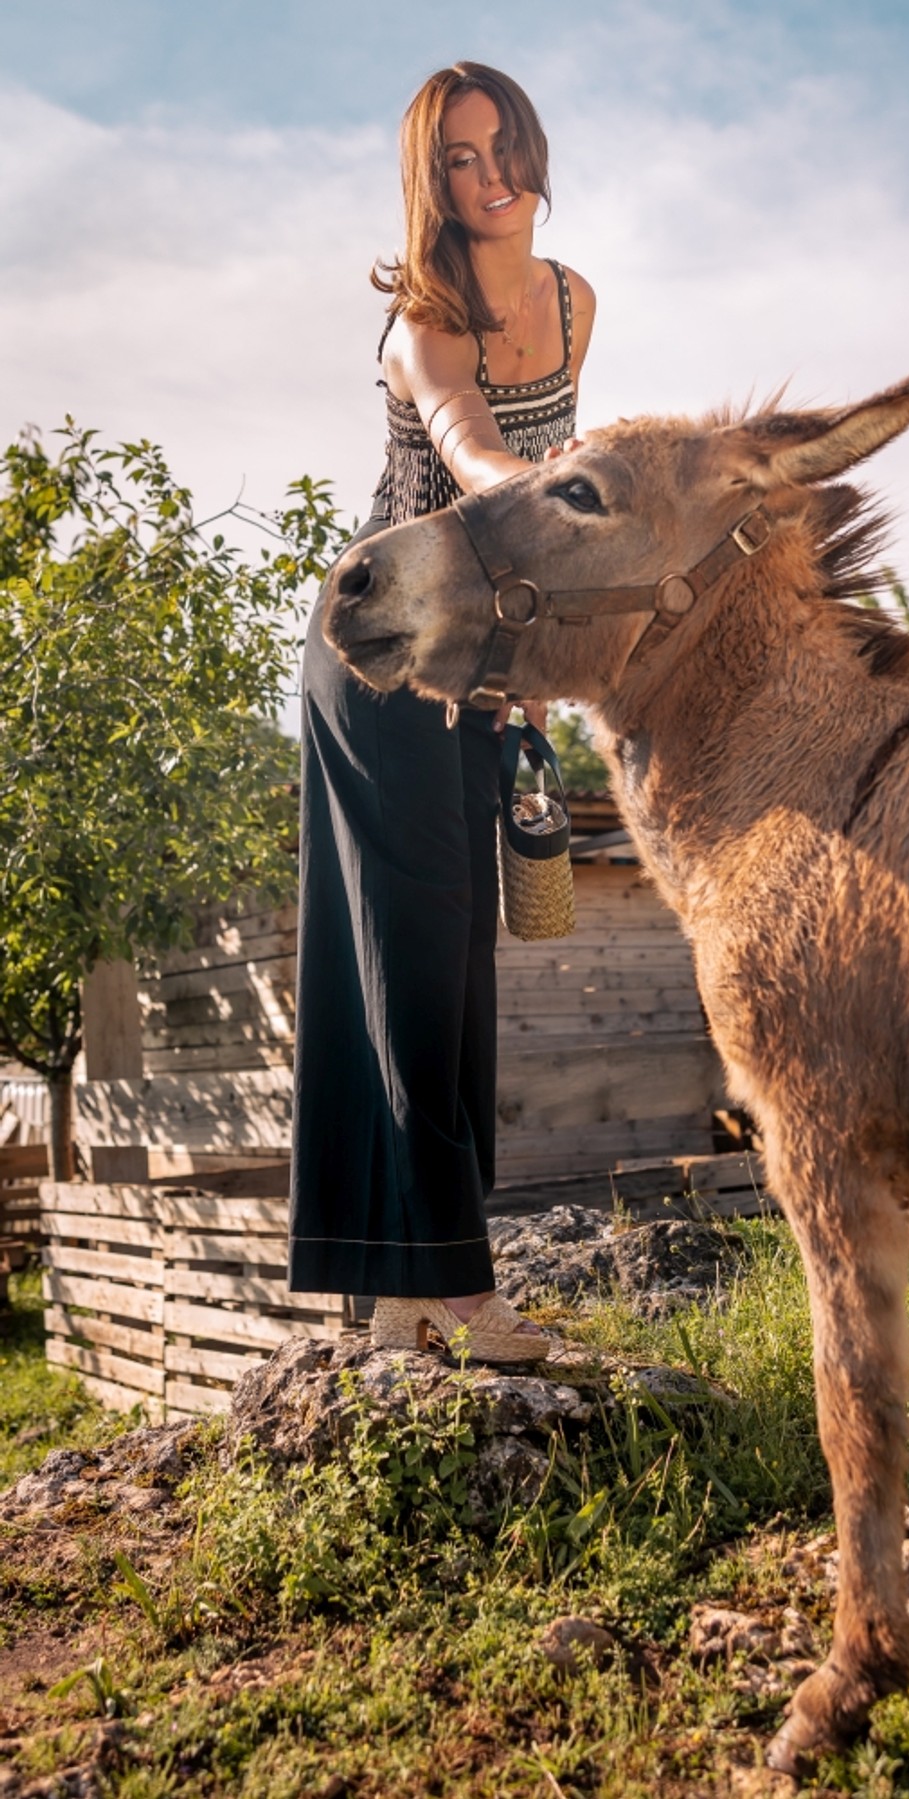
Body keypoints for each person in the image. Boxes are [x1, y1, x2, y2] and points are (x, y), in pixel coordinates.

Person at [287, 62, 595, 1362]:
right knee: (416, 966)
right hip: (376, 654)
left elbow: (547, 466)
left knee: (453, 975)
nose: (491, 176)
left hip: (465, 666)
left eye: (502, 145)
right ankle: (462, 1296)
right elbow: (475, 455)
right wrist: (579, 496)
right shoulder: (426, 318)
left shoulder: (574, 301)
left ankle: (408, 1294)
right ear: (435, 186)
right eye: (460, 160)